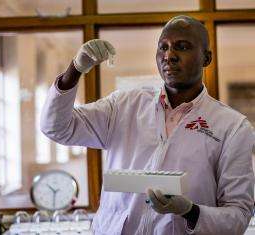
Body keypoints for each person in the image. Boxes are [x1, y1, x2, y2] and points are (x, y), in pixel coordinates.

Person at [40, 15, 254, 235]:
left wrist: (190, 212)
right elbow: (56, 127)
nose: (169, 55)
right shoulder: (124, 105)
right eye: (163, 48)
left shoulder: (232, 127)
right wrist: (74, 70)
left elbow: (238, 216)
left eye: (182, 47)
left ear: (206, 58)